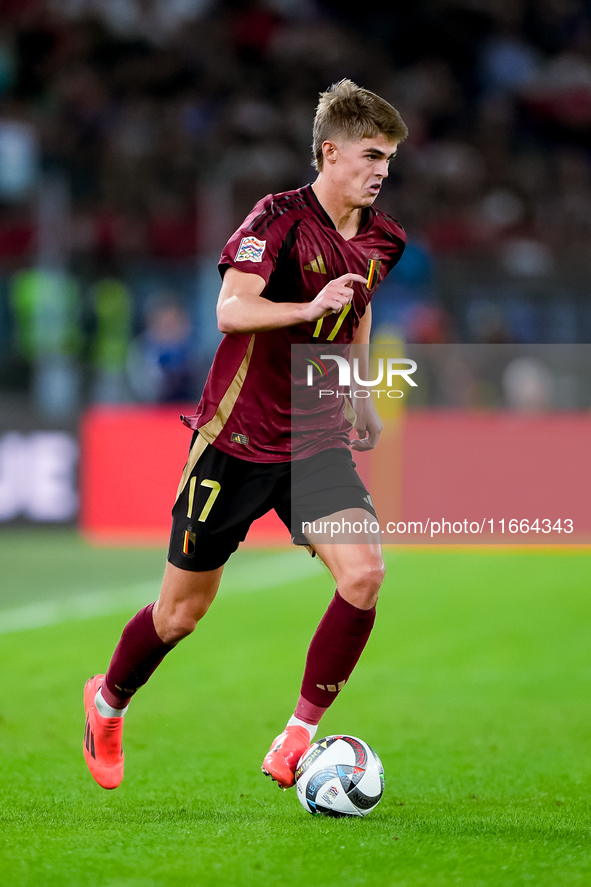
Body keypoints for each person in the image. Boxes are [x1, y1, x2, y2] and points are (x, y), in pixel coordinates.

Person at [83, 79, 408, 791]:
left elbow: (356, 314)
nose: (382, 169)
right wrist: (306, 306)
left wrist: (359, 393)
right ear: (329, 152)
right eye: (370, 154)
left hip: (315, 438)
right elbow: (232, 311)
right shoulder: (278, 219)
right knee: (180, 613)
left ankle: (296, 738)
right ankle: (107, 703)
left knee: (364, 573)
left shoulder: (385, 237)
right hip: (234, 440)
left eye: (388, 157)